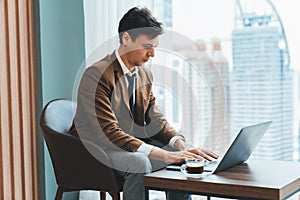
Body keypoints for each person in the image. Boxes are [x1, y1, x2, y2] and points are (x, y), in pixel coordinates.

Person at [69, 7, 218, 200]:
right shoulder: (96, 74)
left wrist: (181, 145)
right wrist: (161, 155)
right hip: (97, 150)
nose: (152, 54)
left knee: (177, 151)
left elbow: (155, 119)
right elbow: (108, 132)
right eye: (147, 46)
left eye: (155, 46)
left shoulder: (144, 73)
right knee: (139, 163)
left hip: (127, 144)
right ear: (126, 39)